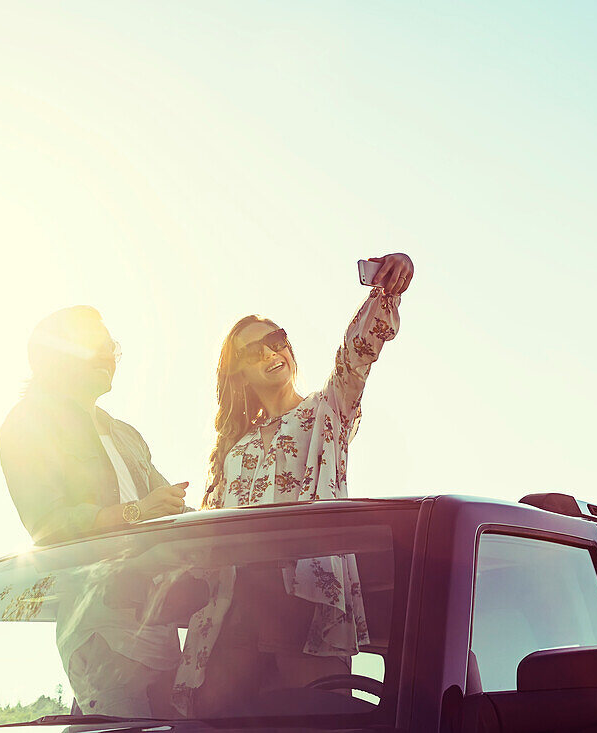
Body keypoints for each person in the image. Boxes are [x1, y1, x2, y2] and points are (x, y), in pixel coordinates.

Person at [171, 253, 415, 715]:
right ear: (237, 372)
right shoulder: (234, 448)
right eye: (252, 350)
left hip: (303, 606)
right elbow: (208, 542)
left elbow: (356, 355)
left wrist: (385, 291)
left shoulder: (327, 412)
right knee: (215, 721)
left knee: (309, 721)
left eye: (276, 339)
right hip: (234, 612)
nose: (269, 352)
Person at [0, 305, 189, 716]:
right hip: (99, 630)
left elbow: (171, 508)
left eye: (111, 348)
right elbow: (48, 526)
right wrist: (135, 512)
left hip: (159, 628)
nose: (108, 356)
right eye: (94, 346)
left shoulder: (126, 433)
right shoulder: (26, 424)